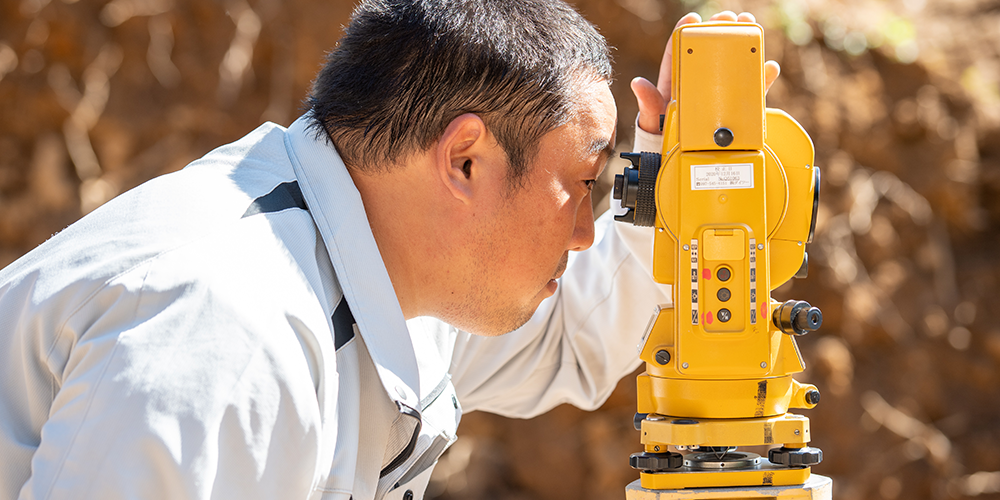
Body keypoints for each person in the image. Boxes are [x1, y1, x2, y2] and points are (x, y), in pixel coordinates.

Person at [0, 1, 777, 499]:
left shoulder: (386, 265)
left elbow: (574, 337)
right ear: (466, 159)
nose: (585, 229)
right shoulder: (223, 329)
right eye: (582, 182)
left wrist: (688, 184)